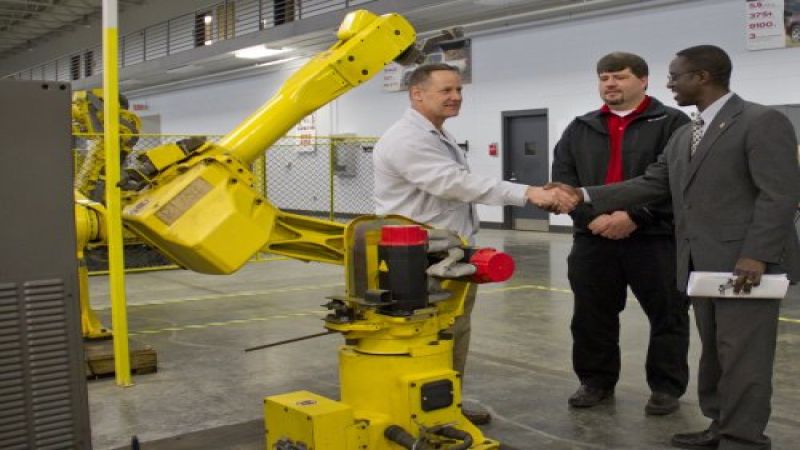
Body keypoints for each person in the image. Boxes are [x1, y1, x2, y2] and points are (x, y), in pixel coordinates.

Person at [550, 45, 800, 450]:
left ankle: (744, 437)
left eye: (676, 76)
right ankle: (720, 424)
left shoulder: (760, 121)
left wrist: (757, 252)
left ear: (701, 77)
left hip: (744, 264)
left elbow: (780, 194)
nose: (669, 84)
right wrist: (580, 194)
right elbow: (652, 183)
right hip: (701, 263)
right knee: (716, 355)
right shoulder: (688, 132)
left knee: (744, 357)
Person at [373, 63, 568, 425]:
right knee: (428, 335)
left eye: (458, 90)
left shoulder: (435, 135)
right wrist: (527, 193)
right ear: (417, 94)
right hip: (418, 259)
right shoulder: (407, 139)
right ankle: (423, 412)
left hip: (445, 252)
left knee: (454, 330)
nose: (456, 97)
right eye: (446, 90)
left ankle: (445, 403)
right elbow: (453, 183)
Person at [552, 52, 691, 415]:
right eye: (604, 77)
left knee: (669, 315)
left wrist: (635, 216)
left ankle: (665, 388)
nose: (610, 84)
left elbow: (678, 182)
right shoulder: (580, 127)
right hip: (593, 238)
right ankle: (595, 381)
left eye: (620, 77)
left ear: (644, 81)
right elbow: (564, 182)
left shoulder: (673, 122)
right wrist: (590, 219)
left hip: (656, 237)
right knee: (590, 315)